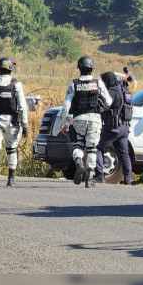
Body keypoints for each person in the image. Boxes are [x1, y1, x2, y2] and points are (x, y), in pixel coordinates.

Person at [58, 56, 112, 188]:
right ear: (92, 68)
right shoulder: (98, 83)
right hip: (95, 119)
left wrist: (63, 121)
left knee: (78, 145)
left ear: (79, 68)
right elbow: (109, 101)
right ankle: (89, 178)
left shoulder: (74, 84)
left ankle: (79, 164)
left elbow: (66, 105)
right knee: (92, 148)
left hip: (79, 119)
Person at [0, 57, 30, 187]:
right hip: (13, 122)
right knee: (11, 149)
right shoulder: (17, 85)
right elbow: (22, 107)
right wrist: (25, 126)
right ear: (11, 68)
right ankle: (11, 178)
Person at [94, 71, 133, 185]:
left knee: (97, 146)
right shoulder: (126, 92)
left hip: (113, 127)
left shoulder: (111, 92)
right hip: (125, 127)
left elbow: (104, 106)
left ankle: (99, 175)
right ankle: (128, 179)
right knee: (124, 154)